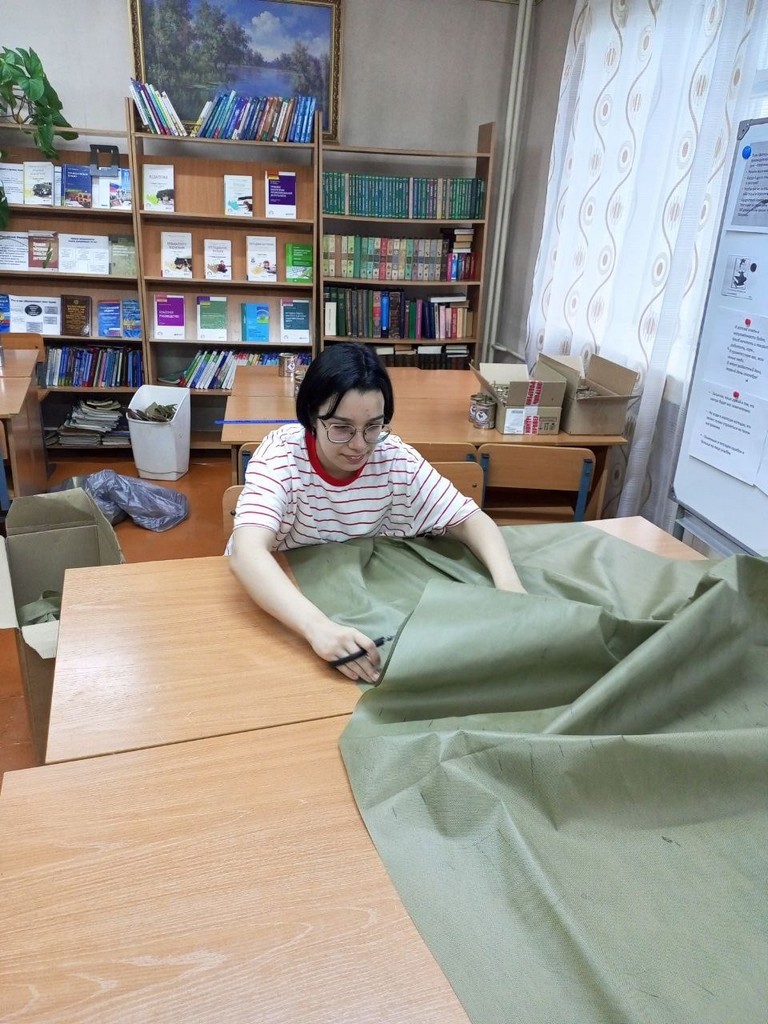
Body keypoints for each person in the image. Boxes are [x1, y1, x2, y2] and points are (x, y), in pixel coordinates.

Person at [229, 344, 526, 683]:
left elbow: (470, 519)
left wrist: (509, 585)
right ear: (311, 416)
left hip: (356, 594)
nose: (359, 445)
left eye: (373, 426)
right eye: (341, 428)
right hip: (286, 599)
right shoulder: (281, 457)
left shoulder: (393, 458)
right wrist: (317, 628)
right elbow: (246, 553)